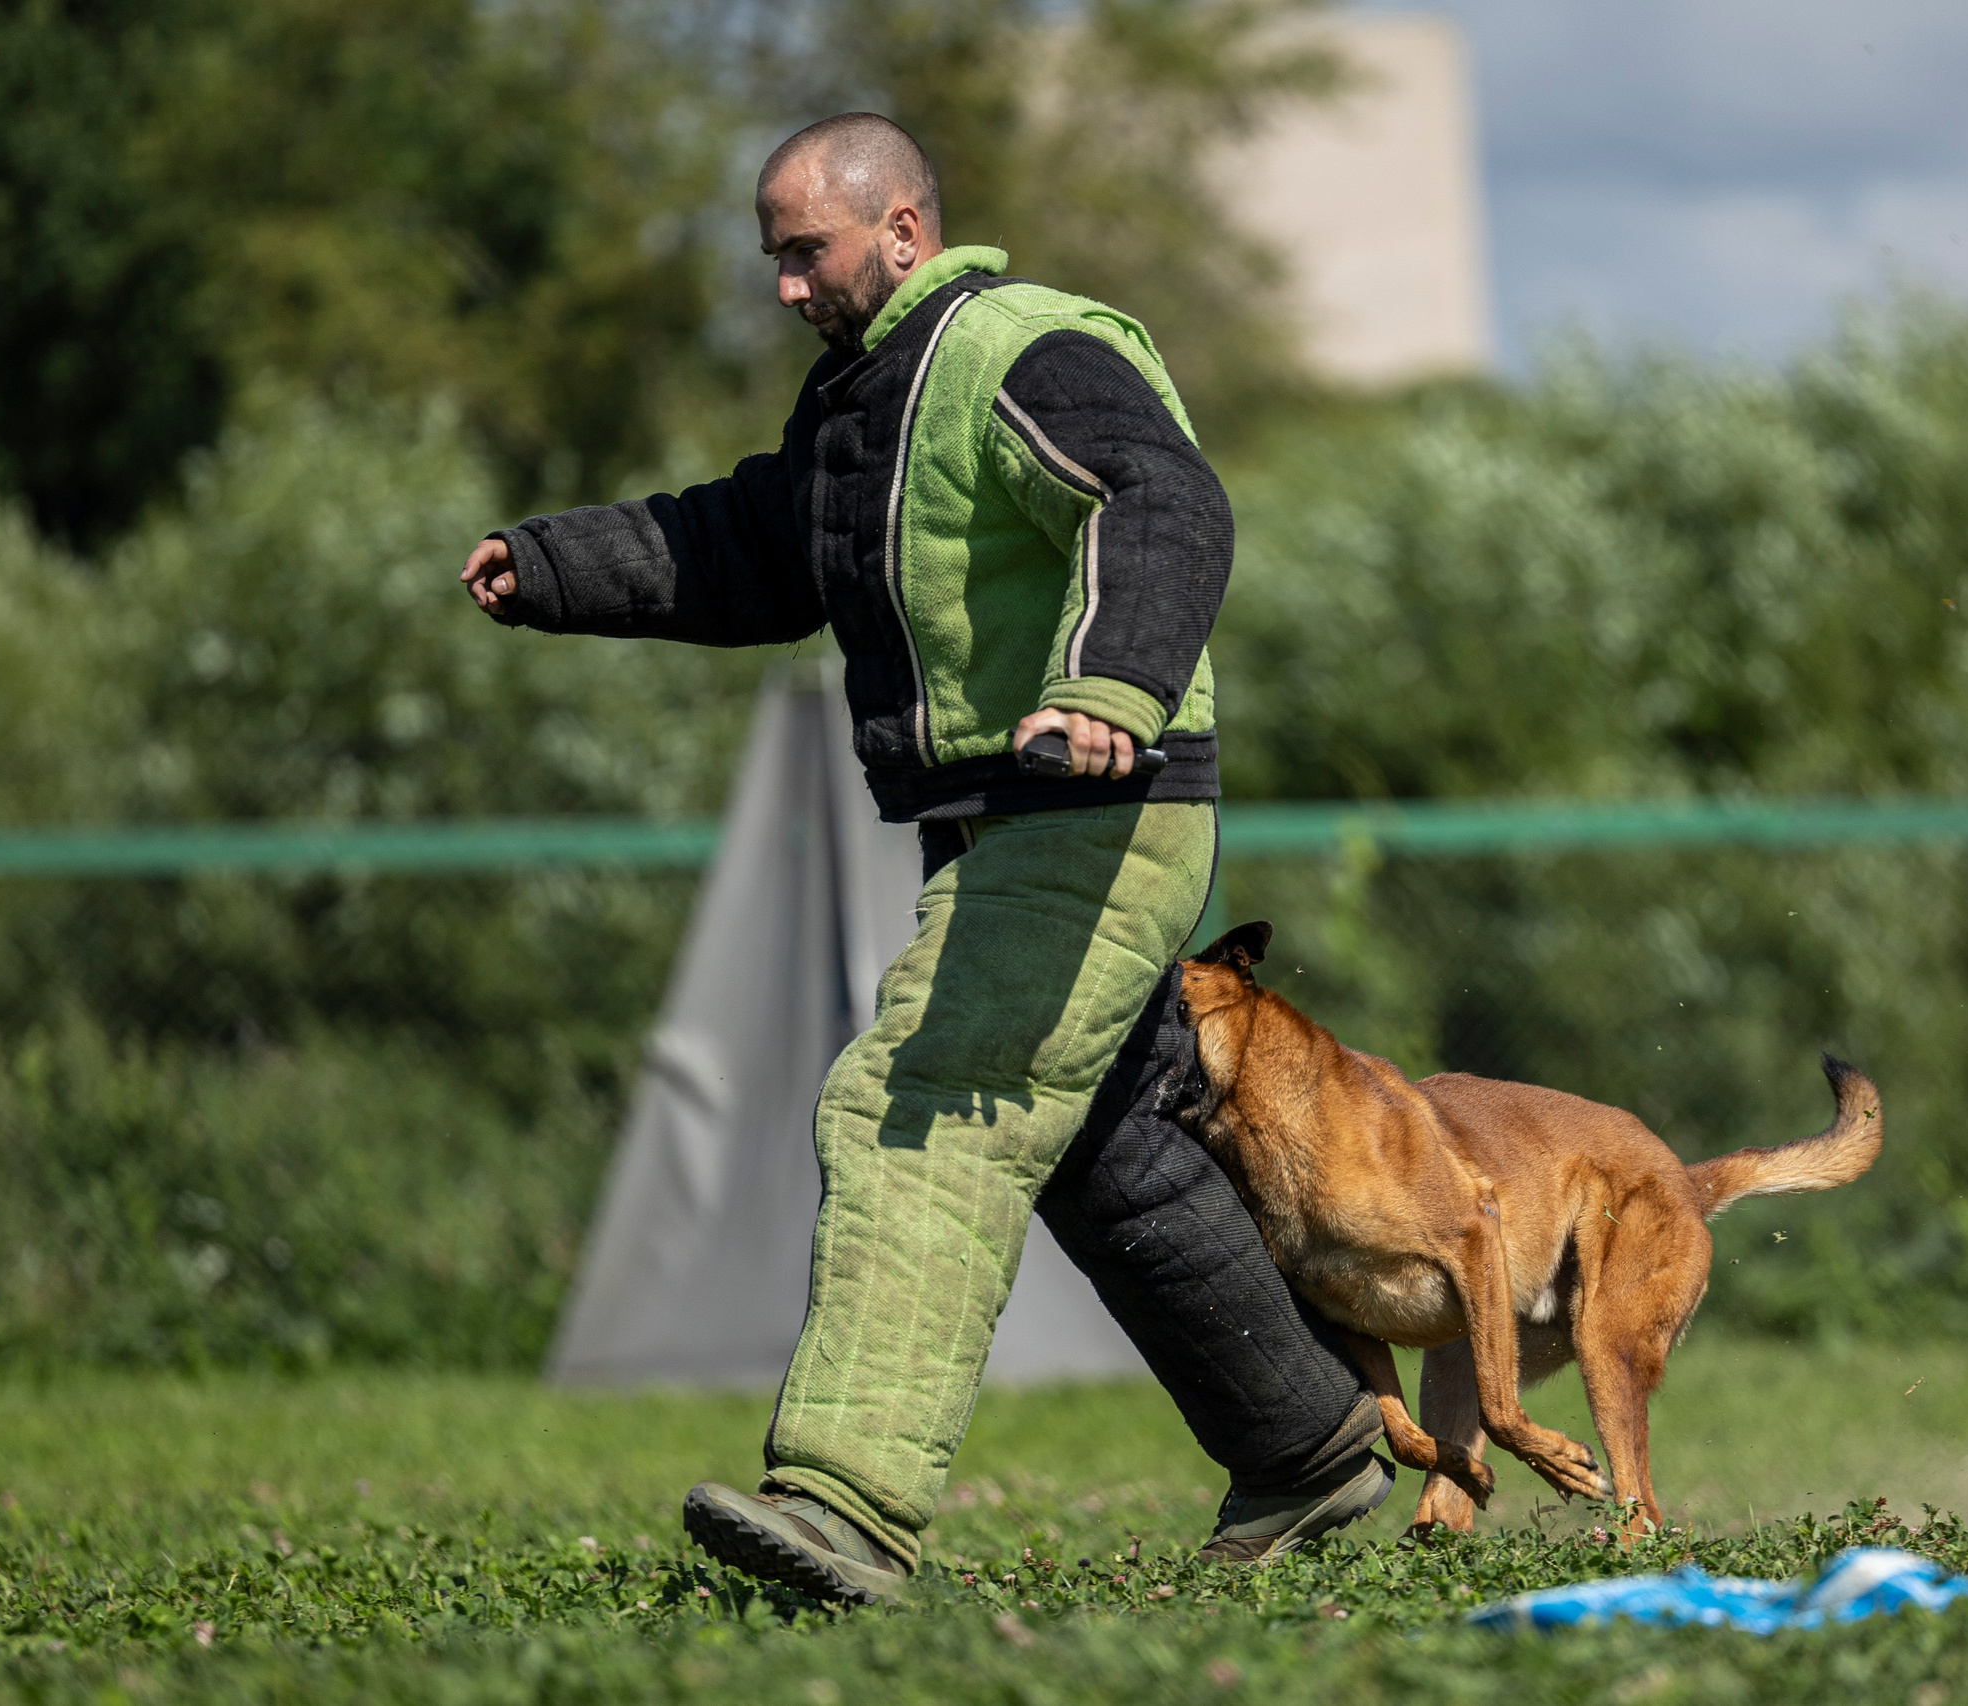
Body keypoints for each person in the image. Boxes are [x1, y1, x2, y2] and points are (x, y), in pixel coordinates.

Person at [461, 113, 1386, 1604]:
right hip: (1009, 819)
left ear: (901, 231)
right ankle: (1306, 1440)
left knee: (924, 1101)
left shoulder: (1020, 348)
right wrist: (557, 565)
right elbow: (750, 549)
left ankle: (846, 1501)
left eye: (803, 252)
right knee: (1104, 1153)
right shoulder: (860, 403)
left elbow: (1162, 499)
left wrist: (1107, 689)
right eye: (769, 258)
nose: (780, 287)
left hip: (1098, 800)